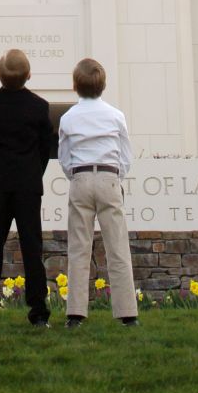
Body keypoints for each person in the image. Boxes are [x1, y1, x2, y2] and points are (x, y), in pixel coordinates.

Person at [0, 48, 58, 327]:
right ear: (29, 75)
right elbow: (47, 148)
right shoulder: (40, 107)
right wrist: (33, 173)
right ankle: (38, 311)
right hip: (28, 185)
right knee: (32, 245)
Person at [57, 57, 137, 327]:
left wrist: (77, 176)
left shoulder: (68, 118)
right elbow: (126, 155)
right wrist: (114, 176)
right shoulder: (115, 115)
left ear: (75, 86)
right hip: (108, 177)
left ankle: (76, 314)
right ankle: (127, 314)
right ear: (103, 85)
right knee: (117, 247)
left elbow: (64, 157)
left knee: (79, 248)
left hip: (80, 178)